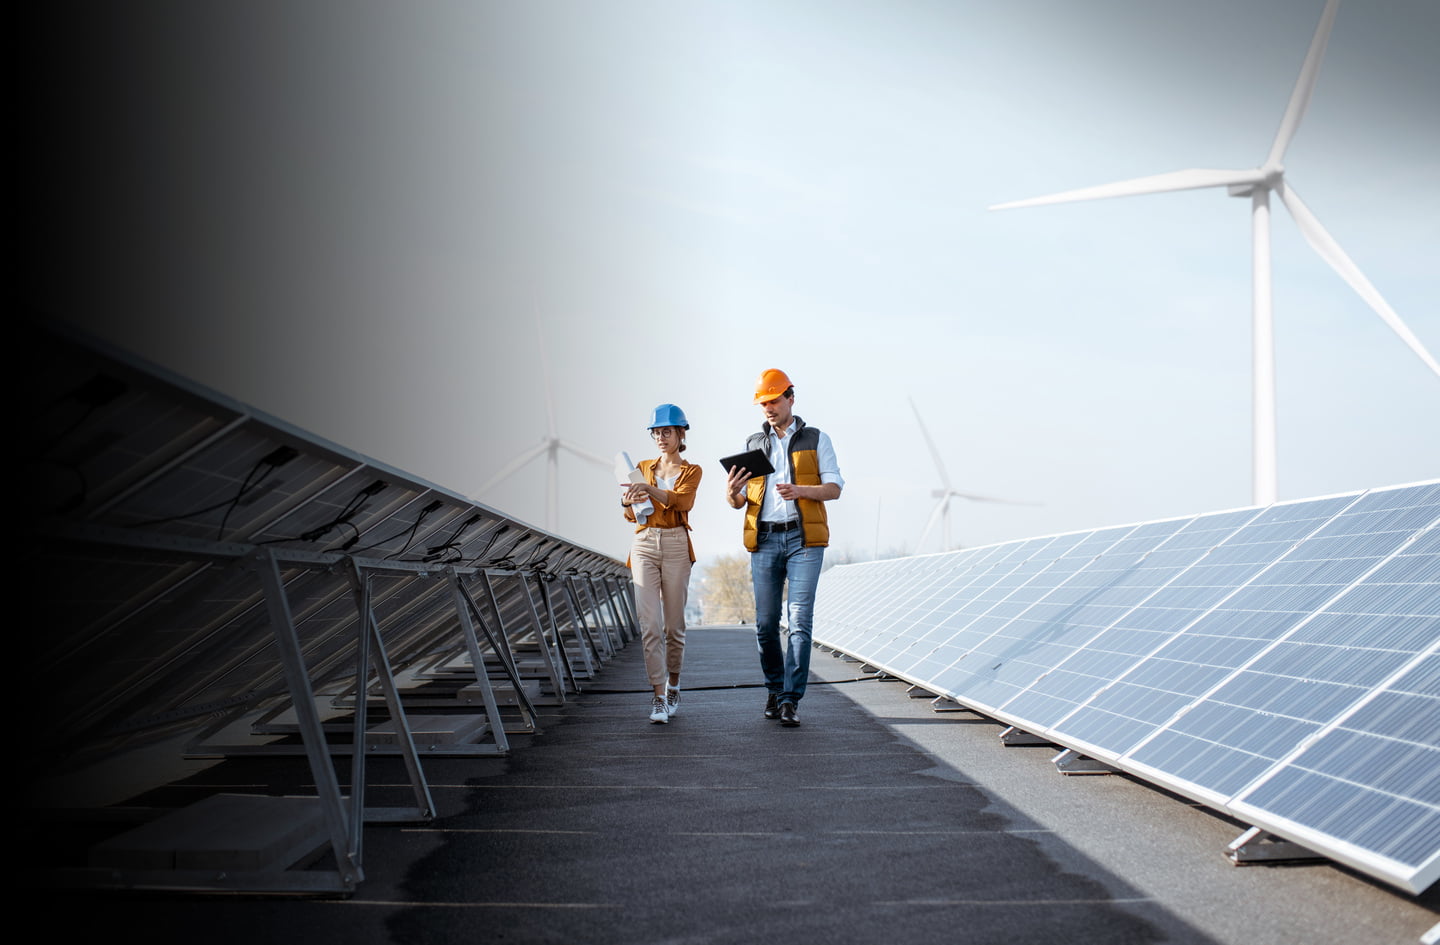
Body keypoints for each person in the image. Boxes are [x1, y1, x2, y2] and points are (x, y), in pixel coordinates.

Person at [725, 369, 843, 727]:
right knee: (764, 624)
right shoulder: (753, 444)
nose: (768, 408)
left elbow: (834, 488)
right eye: (763, 403)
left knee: (799, 620)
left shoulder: (816, 439)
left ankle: (791, 698)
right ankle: (775, 690)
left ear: (791, 398)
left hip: (803, 539)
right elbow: (741, 501)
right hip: (764, 540)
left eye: (774, 401)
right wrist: (731, 494)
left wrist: (800, 491)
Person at [622, 404, 703, 723]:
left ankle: (674, 685)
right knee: (650, 626)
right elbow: (631, 515)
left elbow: (683, 502)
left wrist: (649, 490)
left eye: (666, 432)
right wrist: (627, 501)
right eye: (656, 432)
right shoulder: (642, 468)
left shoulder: (692, 471)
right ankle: (657, 697)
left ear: (681, 434)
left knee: (673, 627)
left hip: (676, 544)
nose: (660, 437)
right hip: (644, 543)